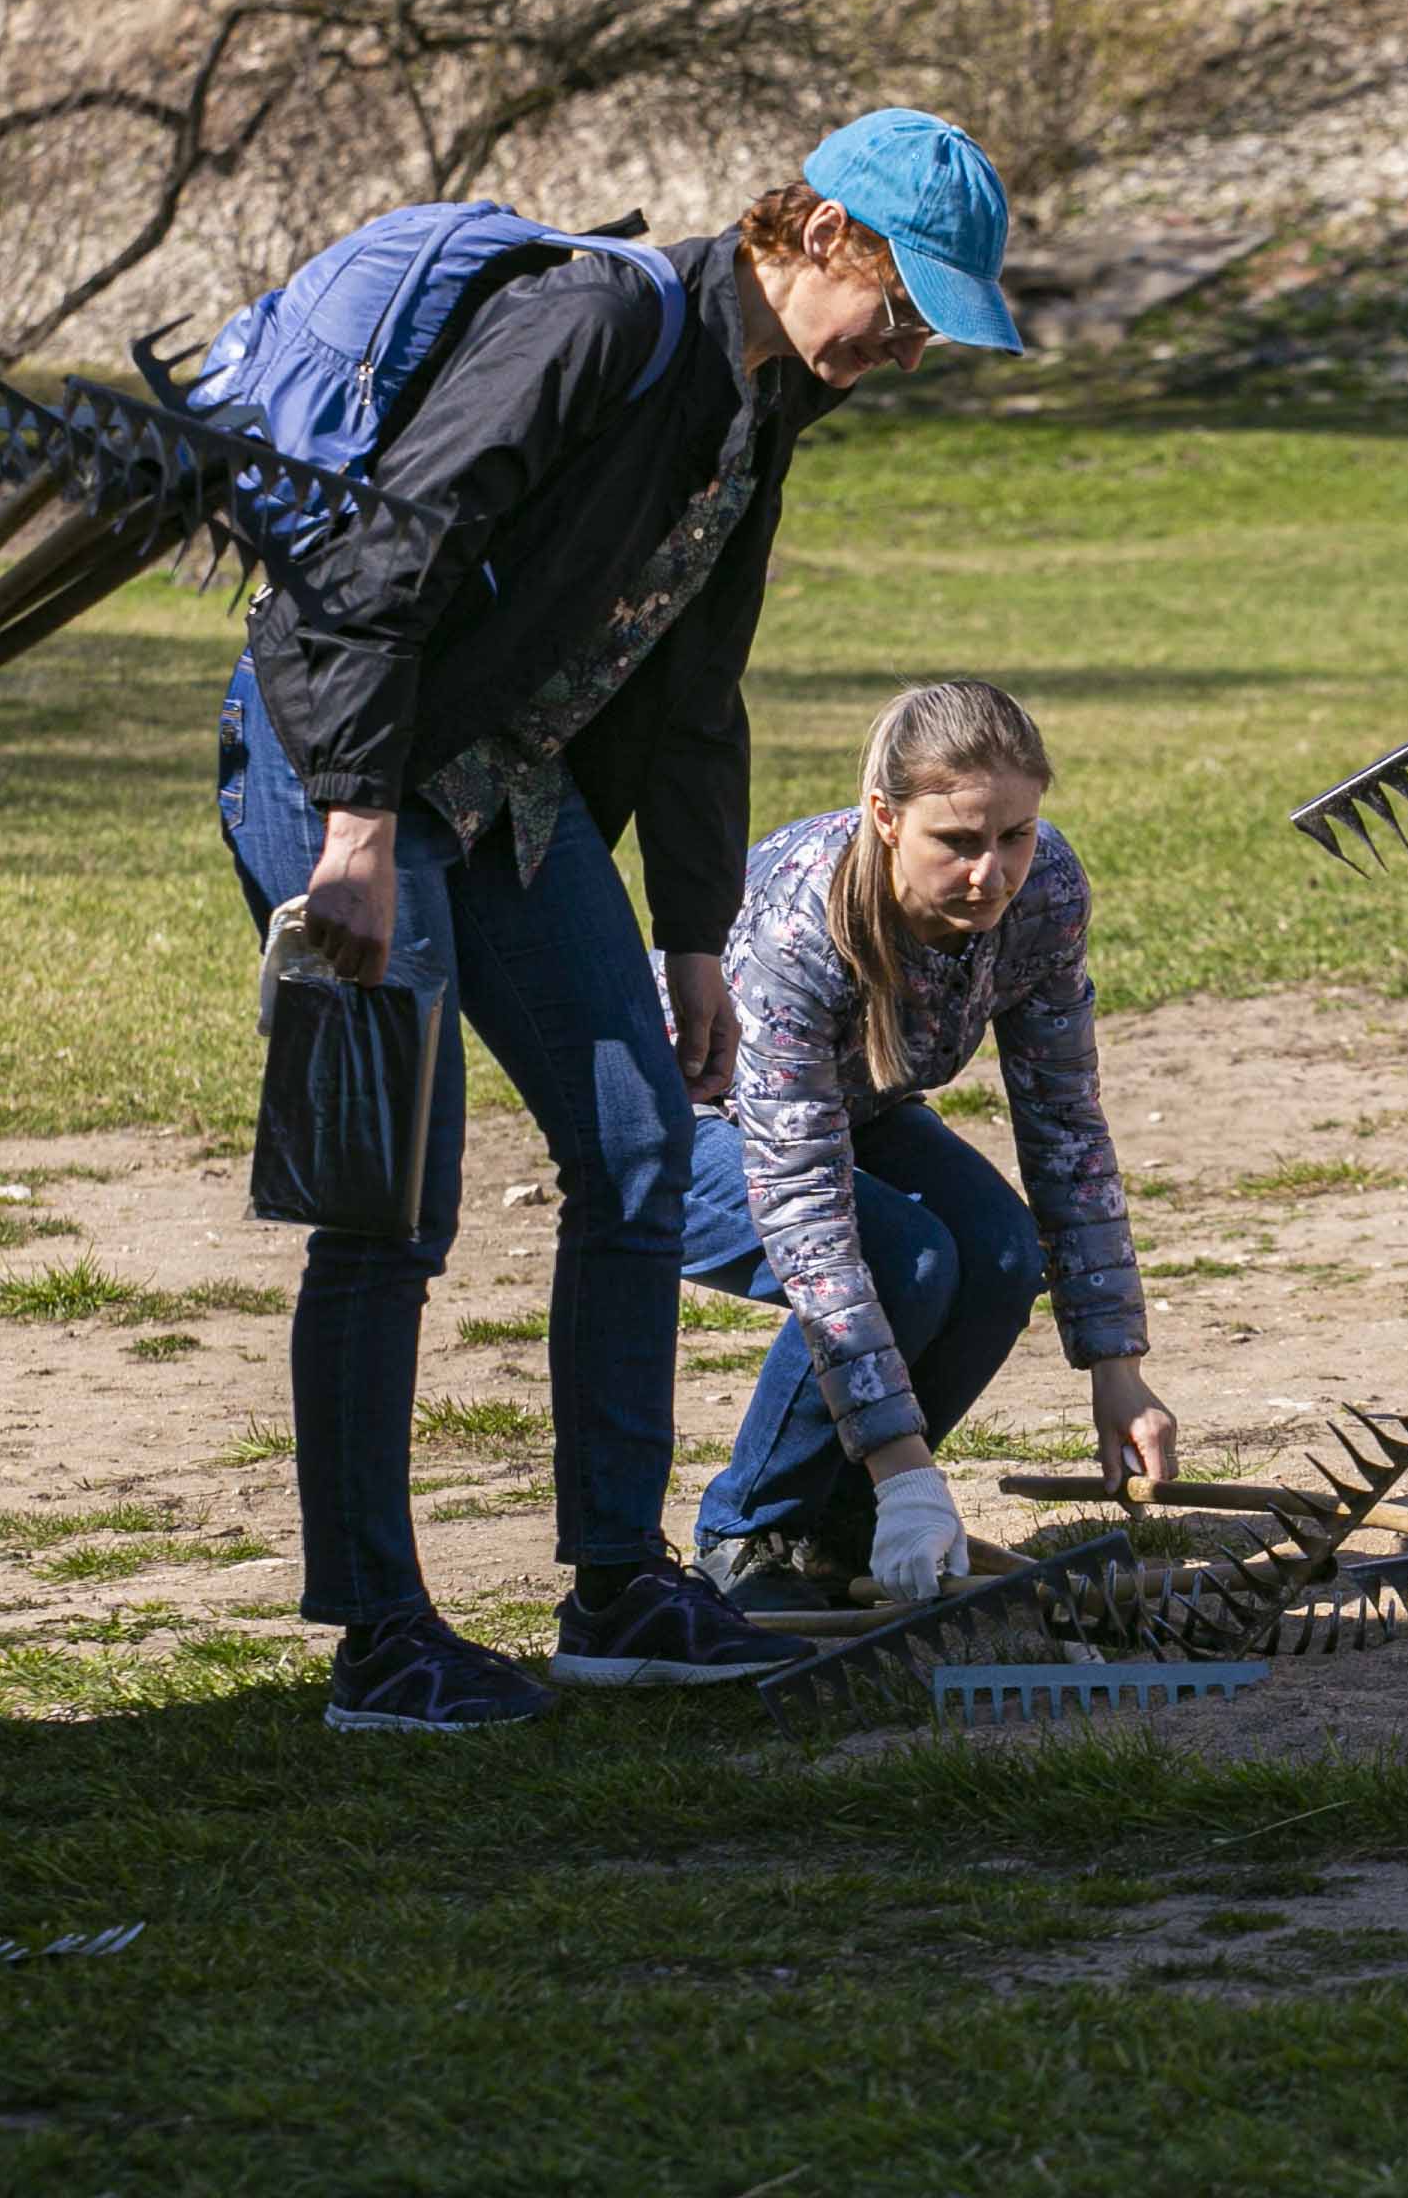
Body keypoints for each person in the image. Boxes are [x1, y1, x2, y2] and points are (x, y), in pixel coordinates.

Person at [217, 112, 1031, 1733]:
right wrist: (357, 826)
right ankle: (379, 1636)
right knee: (389, 1202)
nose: (909, 342)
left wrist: (694, 936)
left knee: (640, 1149)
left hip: (509, 793)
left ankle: (619, 1588)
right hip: (338, 764)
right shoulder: (601, 320)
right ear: (812, 238)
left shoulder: (761, 408)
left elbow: (692, 686)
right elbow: (398, 542)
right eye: (902, 300)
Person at [680, 681, 1177, 1609]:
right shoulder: (805, 921)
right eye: (957, 842)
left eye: (1014, 835)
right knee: (901, 1255)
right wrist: (906, 1466)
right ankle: (746, 1537)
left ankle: (838, 1530)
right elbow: (807, 1213)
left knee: (998, 1250)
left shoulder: (1046, 893)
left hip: (857, 1107)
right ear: (885, 817)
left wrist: (1118, 1368)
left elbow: (1066, 1125)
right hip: (687, 1123)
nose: (991, 873)